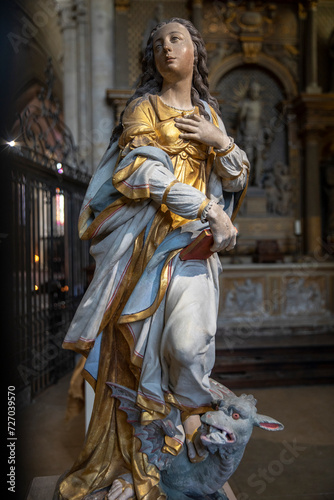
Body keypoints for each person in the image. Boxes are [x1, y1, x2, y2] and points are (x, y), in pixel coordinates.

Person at [54, 17, 249, 500]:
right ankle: (140, 461)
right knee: (136, 361)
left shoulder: (209, 114)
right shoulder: (144, 108)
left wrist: (218, 141)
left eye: (176, 39)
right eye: (157, 43)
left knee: (187, 347)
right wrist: (205, 208)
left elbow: (236, 178)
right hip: (145, 248)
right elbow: (139, 173)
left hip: (196, 249)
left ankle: (189, 424)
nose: (165, 48)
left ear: (195, 53)